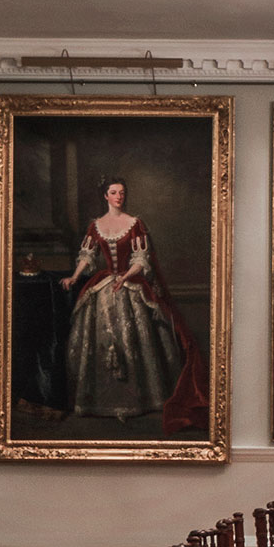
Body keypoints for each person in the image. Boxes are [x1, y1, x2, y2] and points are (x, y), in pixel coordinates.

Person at [63, 176, 206, 430]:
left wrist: (126, 277)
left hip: (130, 287)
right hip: (103, 286)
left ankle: (140, 401)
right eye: (114, 192)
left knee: (135, 340)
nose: (119, 196)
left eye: (122, 192)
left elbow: (141, 259)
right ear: (105, 196)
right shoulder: (95, 226)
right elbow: (88, 255)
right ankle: (98, 403)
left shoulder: (135, 224)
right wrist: (74, 277)